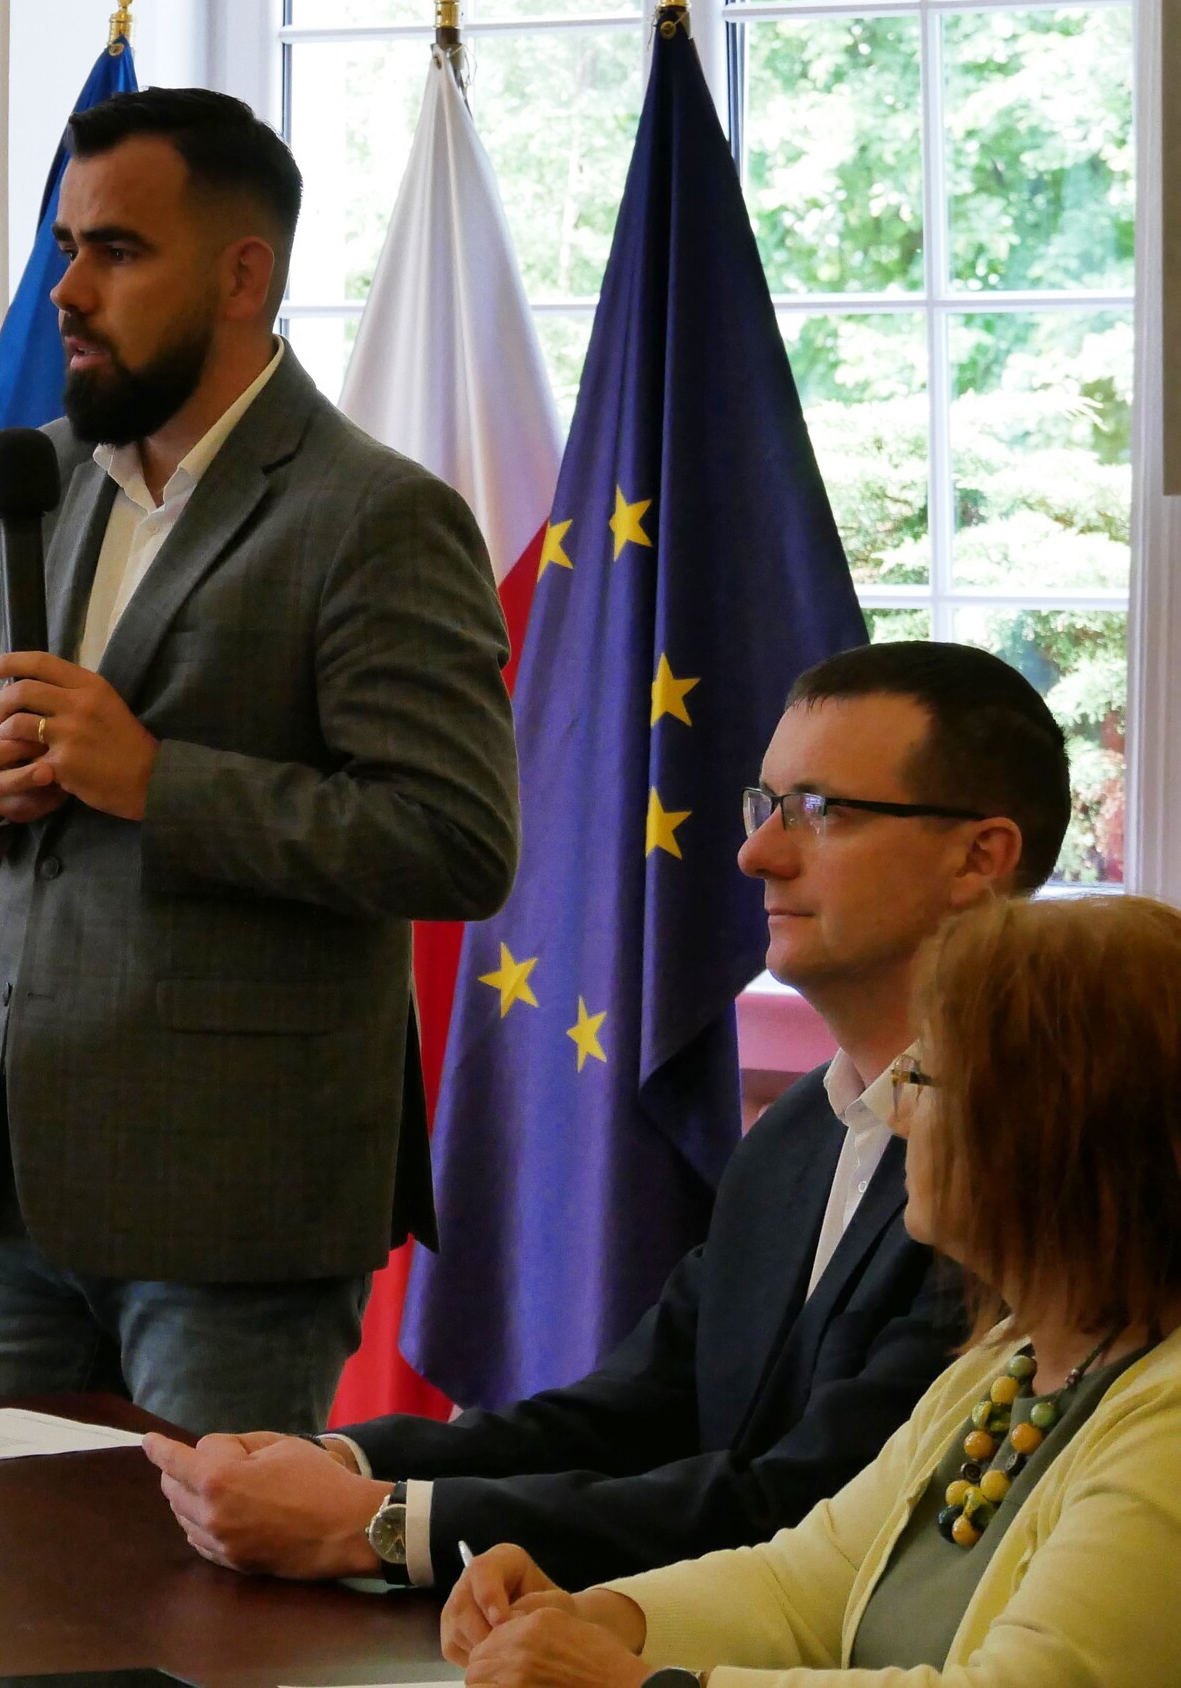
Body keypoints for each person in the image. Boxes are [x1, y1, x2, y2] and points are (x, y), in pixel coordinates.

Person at [150, 643, 1071, 1589]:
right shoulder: (798, 1132)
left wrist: (380, 1525)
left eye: (818, 811)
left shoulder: (1034, 1159)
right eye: (764, 806)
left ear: (980, 857)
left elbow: (805, 1510)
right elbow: (635, 1411)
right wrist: (342, 1461)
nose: (756, 852)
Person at [0, 86, 520, 1438]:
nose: (68, 291)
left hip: (236, 1208)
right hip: (13, 1183)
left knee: (192, 1572)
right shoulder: (39, 478)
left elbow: (453, 838)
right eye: (67, 245)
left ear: (243, 276)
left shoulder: (376, 515)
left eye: (116, 251)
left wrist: (154, 779)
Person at [440, 890, 1181, 1688]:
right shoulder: (1005, 1365)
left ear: (1048, 1128)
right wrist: (598, 1616)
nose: (899, 1114)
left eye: (924, 1076)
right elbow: (804, 1583)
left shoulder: (1166, 1426)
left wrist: (631, 1683)